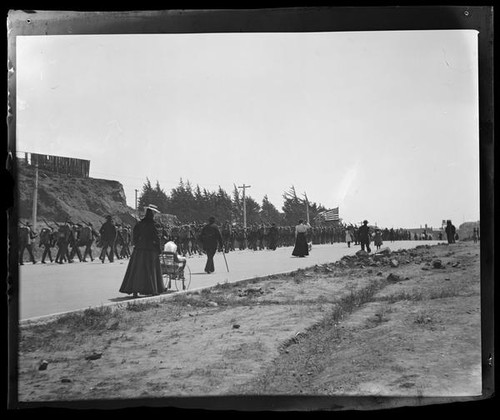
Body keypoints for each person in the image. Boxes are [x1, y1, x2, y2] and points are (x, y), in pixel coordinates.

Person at [119, 205, 164, 297]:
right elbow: (156, 238)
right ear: (152, 214)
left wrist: (138, 244)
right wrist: (159, 249)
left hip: (139, 250)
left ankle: (135, 291)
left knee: (137, 270)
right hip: (150, 250)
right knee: (151, 270)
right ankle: (152, 290)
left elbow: (134, 236)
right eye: (154, 213)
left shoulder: (139, 224)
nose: (155, 215)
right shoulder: (154, 225)